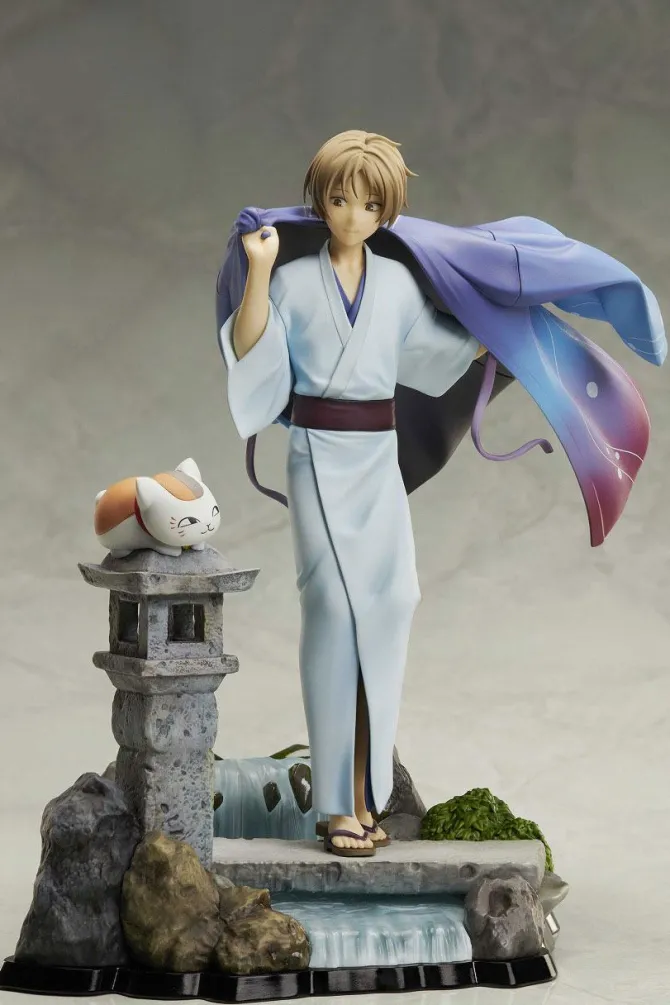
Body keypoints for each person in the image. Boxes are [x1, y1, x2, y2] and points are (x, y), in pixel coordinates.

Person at [217, 130, 665, 857]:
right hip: (317, 453)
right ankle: (335, 806)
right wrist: (261, 271)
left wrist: (506, 324)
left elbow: (437, 351)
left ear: (387, 211)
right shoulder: (294, 282)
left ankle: (367, 794)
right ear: (321, 201)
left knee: (393, 602)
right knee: (333, 611)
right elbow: (251, 350)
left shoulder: (396, 286)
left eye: (369, 204)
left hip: (376, 456)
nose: (353, 216)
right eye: (339, 199)